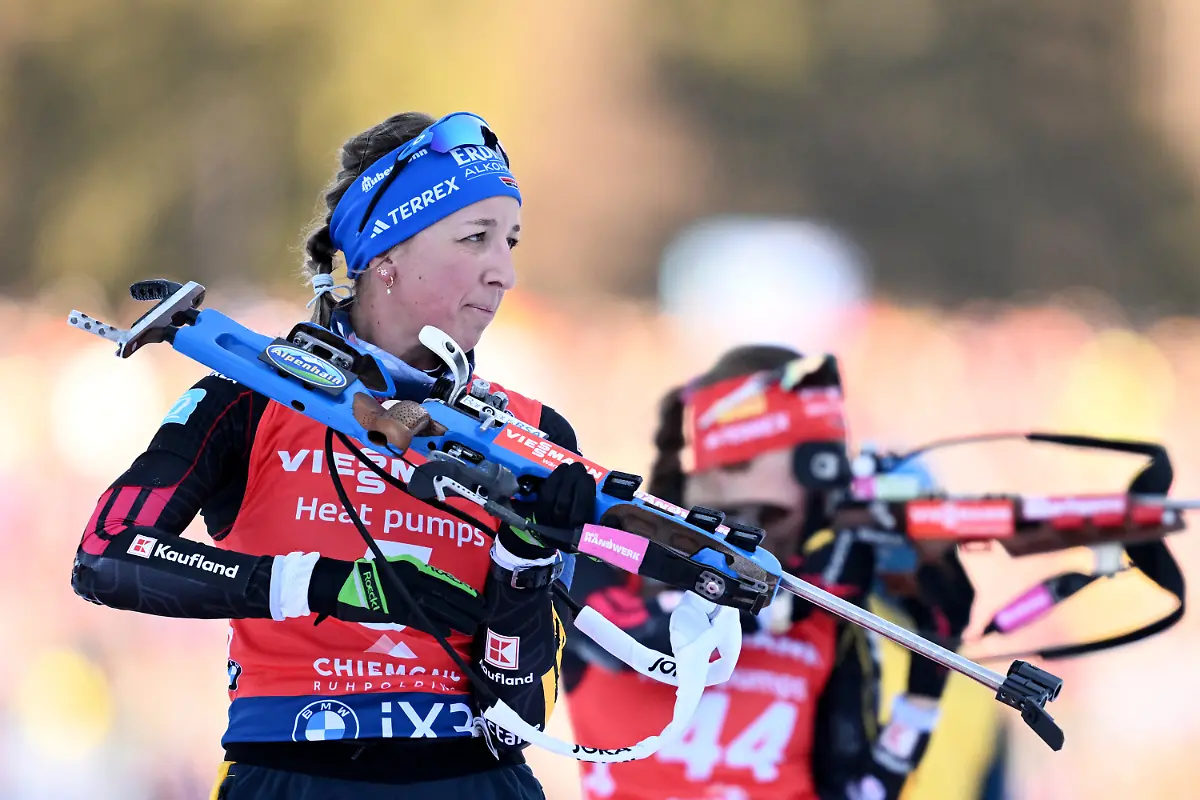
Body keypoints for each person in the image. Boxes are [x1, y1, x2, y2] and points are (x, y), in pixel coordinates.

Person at [70, 111, 598, 800]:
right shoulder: (250, 398)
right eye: (476, 238)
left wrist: (525, 565)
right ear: (386, 258)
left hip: (473, 780)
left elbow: (518, 719)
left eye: (512, 242)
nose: (503, 273)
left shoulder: (532, 431)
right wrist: (327, 584)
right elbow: (108, 554)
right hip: (293, 772)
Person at [562, 345, 976, 800]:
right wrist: (780, 602)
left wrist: (929, 674)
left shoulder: (824, 605)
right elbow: (635, 641)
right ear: (733, 468)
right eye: (814, 462)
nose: (825, 494)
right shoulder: (612, 555)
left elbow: (862, 791)